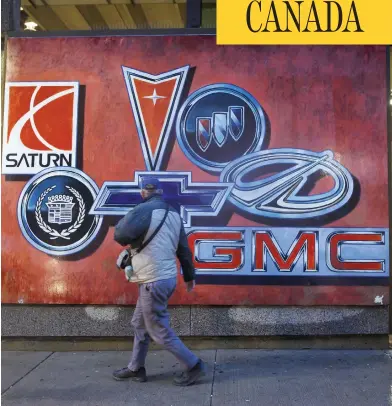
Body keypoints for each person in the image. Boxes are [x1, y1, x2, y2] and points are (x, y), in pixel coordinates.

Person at [112, 177, 205, 386]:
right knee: (139, 323)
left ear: (143, 192)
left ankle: (194, 365)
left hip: (152, 281)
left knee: (158, 329)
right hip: (165, 278)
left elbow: (120, 235)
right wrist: (189, 276)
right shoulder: (173, 214)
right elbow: (183, 249)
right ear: (160, 192)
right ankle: (136, 368)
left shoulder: (143, 210)